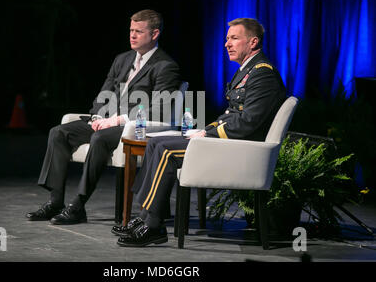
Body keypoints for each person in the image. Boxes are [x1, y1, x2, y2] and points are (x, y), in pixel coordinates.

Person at [112, 18, 287, 247]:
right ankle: (145, 215)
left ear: (253, 42)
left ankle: (153, 225)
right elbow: (231, 116)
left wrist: (208, 135)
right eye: (227, 38)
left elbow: (248, 123)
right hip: (230, 142)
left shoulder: (263, 73)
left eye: (234, 38)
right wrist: (206, 130)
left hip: (242, 150)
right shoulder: (248, 71)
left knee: (165, 150)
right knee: (155, 143)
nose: (227, 44)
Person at [26, 9, 181, 225]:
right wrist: (96, 117)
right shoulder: (122, 59)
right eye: (131, 30)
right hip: (106, 122)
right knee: (58, 133)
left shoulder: (165, 66)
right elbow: (104, 94)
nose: (132, 35)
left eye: (138, 31)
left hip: (134, 126)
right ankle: (55, 201)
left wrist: (117, 120)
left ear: (154, 34)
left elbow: (159, 109)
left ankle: (78, 205)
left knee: (99, 139)